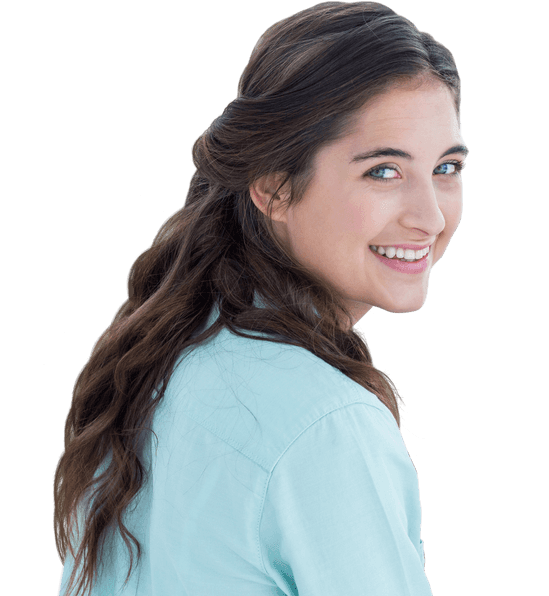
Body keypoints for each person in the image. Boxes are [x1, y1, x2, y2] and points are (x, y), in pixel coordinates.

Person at [52, 2, 465, 594]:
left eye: (447, 167)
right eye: (383, 171)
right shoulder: (328, 426)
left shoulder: (158, 365)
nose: (429, 216)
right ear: (274, 187)